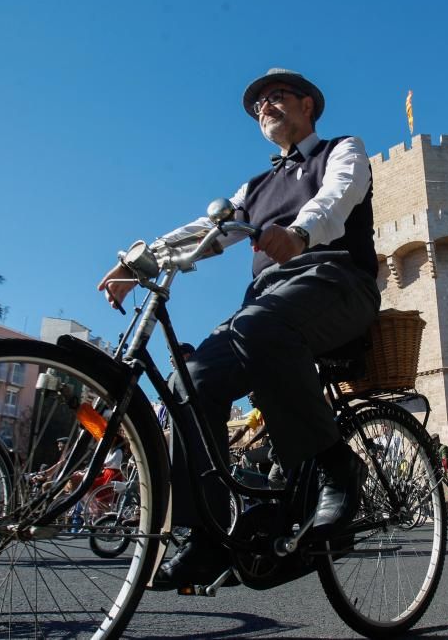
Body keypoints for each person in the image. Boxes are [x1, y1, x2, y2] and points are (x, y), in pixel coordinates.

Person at [98, 69, 380, 587]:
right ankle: (208, 533)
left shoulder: (342, 149)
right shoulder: (254, 187)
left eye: (275, 98)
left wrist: (299, 232)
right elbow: (205, 232)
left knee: (258, 327)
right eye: (257, 105)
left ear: (308, 105)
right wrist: (138, 264)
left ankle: (336, 468)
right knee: (191, 379)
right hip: (269, 303)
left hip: (336, 281)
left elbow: (338, 197)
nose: (263, 109)